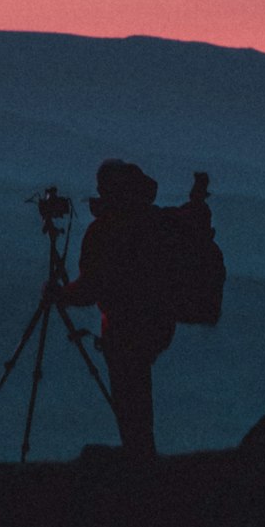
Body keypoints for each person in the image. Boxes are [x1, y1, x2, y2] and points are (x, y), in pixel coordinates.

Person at [55, 159, 176, 461]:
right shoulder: (151, 221)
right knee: (138, 394)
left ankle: (139, 461)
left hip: (123, 329)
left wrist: (60, 295)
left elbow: (91, 286)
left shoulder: (106, 230)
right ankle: (142, 454)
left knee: (128, 394)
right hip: (155, 325)